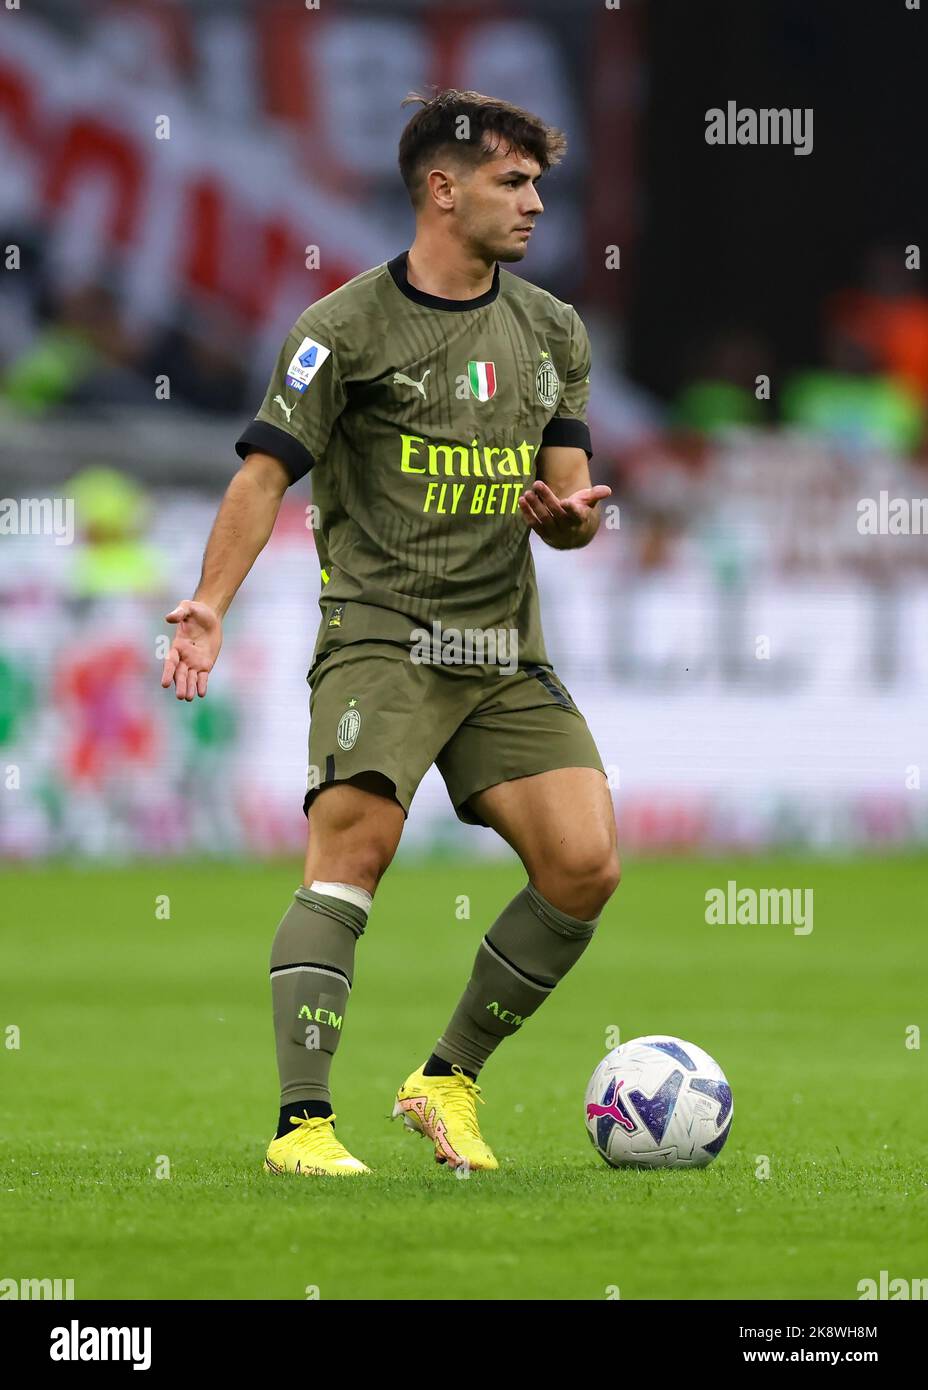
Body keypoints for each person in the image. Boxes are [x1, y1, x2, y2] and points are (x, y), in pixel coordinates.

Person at [161, 89, 621, 1177]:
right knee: (350, 855)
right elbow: (264, 473)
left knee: (584, 863)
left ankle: (445, 1078)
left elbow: (569, 504)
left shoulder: (552, 330)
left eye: (538, 184)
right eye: (513, 182)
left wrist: (572, 522)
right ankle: (302, 1129)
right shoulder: (342, 330)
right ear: (440, 188)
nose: (535, 204)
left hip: (503, 648)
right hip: (382, 635)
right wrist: (212, 601)